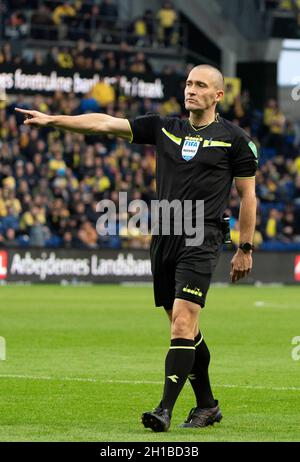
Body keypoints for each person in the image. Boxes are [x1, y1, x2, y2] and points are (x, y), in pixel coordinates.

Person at [15, 64, 258, 432]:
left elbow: (248, 196)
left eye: (200, 85)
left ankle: (164, 410)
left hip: (201, 235)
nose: (191, 90)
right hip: (164, 235)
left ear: (218, 95)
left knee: (182, 320)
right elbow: (104, 123)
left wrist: (245, 247)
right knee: (185, 331)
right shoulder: (165, 127)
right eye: (189, 83)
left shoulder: (235, 139)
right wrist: (53, 120)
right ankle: (207, 405)